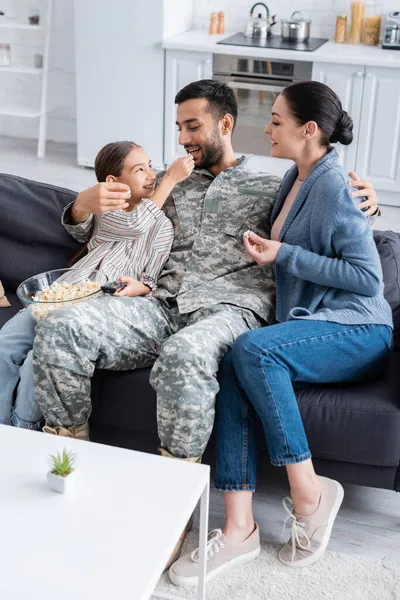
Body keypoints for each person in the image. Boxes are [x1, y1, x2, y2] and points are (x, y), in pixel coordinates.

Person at [32, 80, 380, 567]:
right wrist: (81, 205)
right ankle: (68, 473)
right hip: (159, 304)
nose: (182, 138)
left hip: (229, 312)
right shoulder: (164, 182)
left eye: (192, 126)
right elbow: (99, 222)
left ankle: (169, 511)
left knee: (187, 354)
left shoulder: (273, 186)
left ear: (225, 124)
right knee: (61, 326)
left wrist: (368, 198)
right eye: (178, 127)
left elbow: (329, 210)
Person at [168, 81, 393, 587]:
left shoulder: (333, 183)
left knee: (253, 351)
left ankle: (310, 491)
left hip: (357, 328)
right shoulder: (296, 174)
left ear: (307, 129)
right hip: (309, 325)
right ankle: (240, 526)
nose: (266, 128)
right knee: (233, 358)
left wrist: (284, 253)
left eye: (275, 120)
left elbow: (367, 279)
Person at [0, 141, 193, 432]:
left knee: (35, 363)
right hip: (61, 295)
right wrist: (170, 180)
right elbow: (134, 224)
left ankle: (22, 429)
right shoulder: (107, 210)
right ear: (114, 182)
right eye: (139, 169)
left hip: (97, 306)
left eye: (151, 166)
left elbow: (152, 270)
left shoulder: (163, 225)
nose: (151, 174)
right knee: (4, 346)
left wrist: (143, 286)